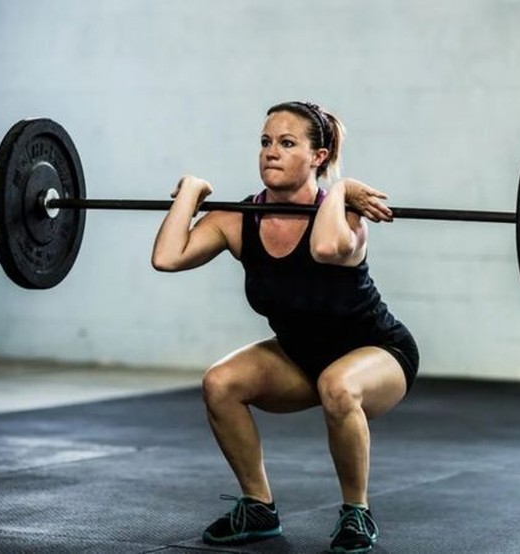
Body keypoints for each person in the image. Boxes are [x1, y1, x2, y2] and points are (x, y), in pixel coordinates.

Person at [151, 101, 419, 553]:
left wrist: (340, 190)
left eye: (287, 143)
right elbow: (167, 257)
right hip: (300, 356)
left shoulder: (347, 215)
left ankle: (356, 512)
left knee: (338, 385)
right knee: (220, 383)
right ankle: (258, 506)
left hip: (378, 351)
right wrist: (190, 193)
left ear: (318, 156)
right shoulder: (238, 220)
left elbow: (326, 248)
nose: (271, 152)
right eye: (265, 142)